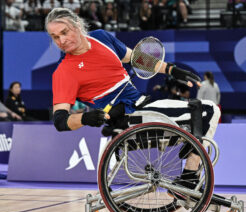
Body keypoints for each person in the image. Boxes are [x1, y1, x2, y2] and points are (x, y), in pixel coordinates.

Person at [45, 8, 220, 195]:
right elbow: (60, 121)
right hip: (127, 117)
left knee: (207, 110)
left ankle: (188, 176)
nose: (61, 41)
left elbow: (136, 59)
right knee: (208, 112)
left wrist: (171, 70)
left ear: (77, 25)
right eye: (55, 37)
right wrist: (85, 118)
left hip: (142, 104)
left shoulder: (101, 38)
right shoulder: (64, 72)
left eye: (64, 32)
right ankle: (188, 180)